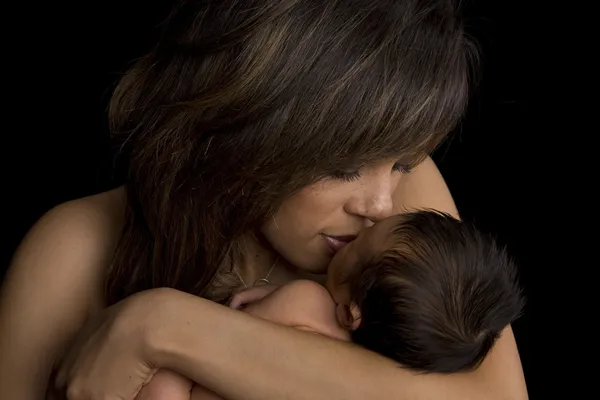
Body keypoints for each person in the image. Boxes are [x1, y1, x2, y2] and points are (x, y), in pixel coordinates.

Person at [0, 1, 528, 399]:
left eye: (405, 162)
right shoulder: (76, 248)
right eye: (341, 167)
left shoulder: (394, 203)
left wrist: (158, 325)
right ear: (243, 128)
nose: (383, 204)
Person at [136, 210, 524, 400]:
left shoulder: (306, 300)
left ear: (350, 312)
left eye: (359, 246)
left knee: (164, 380)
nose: (368, 222)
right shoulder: (386, 371)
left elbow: (216, 334)